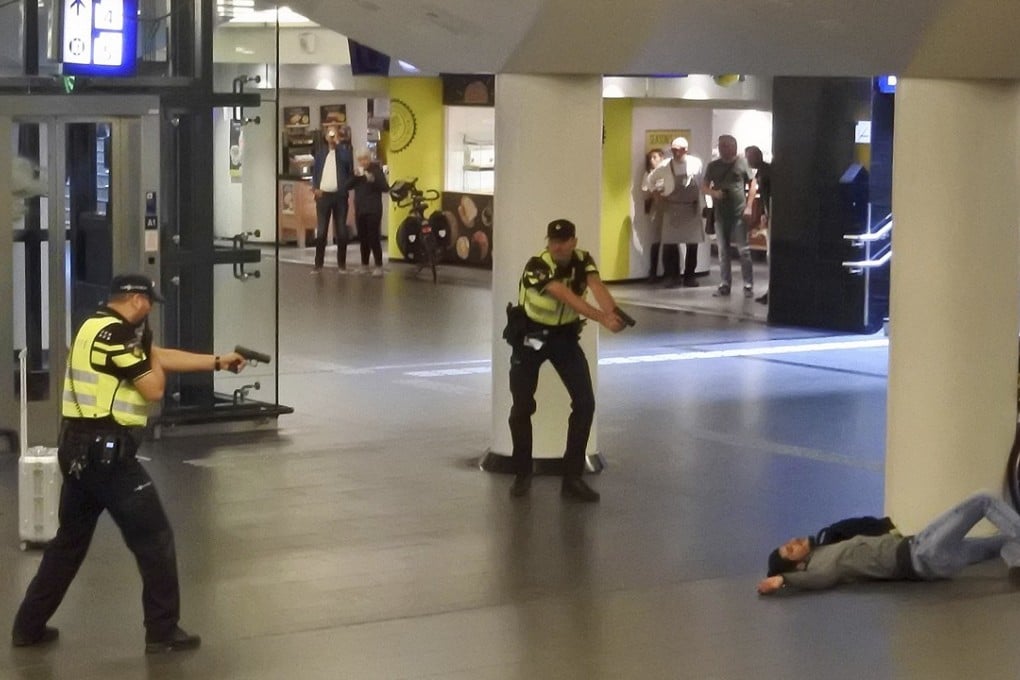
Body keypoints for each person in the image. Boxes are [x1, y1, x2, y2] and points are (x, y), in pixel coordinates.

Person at [11, 275, 249, 653]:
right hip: (109, 459)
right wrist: (149, 349)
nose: (151, 310)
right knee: (155, 539)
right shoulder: (120, 338)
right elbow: (153, 387)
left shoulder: (93, 327)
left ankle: (28, 625)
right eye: (149, 302)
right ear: (136, 300)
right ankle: (162, 630)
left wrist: (217, 362)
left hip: (77, 454)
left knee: (68, 543)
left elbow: (156, 358)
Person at [508, 220, 624, 502]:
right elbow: (567, 296)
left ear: (573, 241)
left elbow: (596, 286)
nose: (556, 246)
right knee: (523, 406)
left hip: (563, 339)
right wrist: (602, 318)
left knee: (585, 403)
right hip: (532, 337)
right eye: (552, 241)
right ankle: (522, 473)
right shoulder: (538, 265)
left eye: (562, 241)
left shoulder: (583, 260)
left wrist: (614, 312)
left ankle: (572, 478)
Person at [757, 492, 1020, 595]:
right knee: (984, 502)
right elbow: (819, 579)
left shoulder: (826, 548)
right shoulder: (823, 566)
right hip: (922, 553)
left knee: (1000, 543)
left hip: (928, 556)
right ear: (799, 565)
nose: (793, 541)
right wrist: (784, 580)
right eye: (790, 550)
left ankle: (1016, 563)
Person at [703, 135, 756, 298]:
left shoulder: (742, 163)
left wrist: (749, 206)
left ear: (733, 146)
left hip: (738, 213)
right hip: (720, 215)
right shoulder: (713, 166)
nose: (721, 148)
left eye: (725, 145)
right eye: (720, 145)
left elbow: (752, 183)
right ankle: (725, 284)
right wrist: (714, 193)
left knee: (743, 250)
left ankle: (748, 285)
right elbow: (704, 187)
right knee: (723, 251)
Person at [650, 137, 705, 288]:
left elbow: (701, 183)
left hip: (691, 208)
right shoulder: (664, 165)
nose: (675, 153)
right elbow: (650, 180)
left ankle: (689, 276)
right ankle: (672, 276)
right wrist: (657, 196)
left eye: (678, 150)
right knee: (669, 244)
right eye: (673, 150)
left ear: (685, 150)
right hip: (672, 208)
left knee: (692, 245)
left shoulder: (696, 163)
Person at [311, 125, 354, 273]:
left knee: (341, 231)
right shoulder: (320, 154)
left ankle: (341, 265)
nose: (331, 136)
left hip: (339, 196)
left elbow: (348, 165)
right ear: (324, 136)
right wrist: (315, 187)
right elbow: (315, 172)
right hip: (323, 196)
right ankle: (318, 265)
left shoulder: (344, 152)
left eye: (334, 133)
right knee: (321, 231)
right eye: (329, 133)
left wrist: (338, 143)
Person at [345, 149, 390, 277]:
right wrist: (354, 176)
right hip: (360, 210)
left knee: (373, 237)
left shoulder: (376, 171)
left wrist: (372, 179)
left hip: (373, 210)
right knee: (362, 238)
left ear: (369, 159)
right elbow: (347, 186)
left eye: (365, 159)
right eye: (360, 160)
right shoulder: (358, 173)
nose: (363, 162)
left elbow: (385, 188)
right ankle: (364, 265)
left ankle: (379, 265)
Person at [745, 146, 772, 305]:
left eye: (749, 157)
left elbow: (768, 196)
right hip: (769, 214)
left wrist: (764, 214)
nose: (748, 161)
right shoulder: (763, 171)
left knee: (771, 255)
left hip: (772, 216)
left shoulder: (766, 172)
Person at [639, 148, 667, 282]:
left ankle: (671, 273)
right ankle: (653, 272)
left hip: (669, 209)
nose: (652, 160)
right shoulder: (649, 174)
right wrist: (655, 192)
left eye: (655, 157)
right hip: (656, 210)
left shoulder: (669, 172)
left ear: (662, 158)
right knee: (656, 241)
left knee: (671, 242)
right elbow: (645, 191)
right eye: (650, 158)